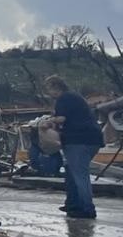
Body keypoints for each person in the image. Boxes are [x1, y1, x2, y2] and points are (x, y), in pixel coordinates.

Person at [42, 75, 102, 218]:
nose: (49, 93)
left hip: (78, 141)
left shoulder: (64, 98)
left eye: (49, 89)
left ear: (55, 87)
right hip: (92, 139)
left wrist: (47, 121)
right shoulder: (74, 97)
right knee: (71, 172)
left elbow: (62, 118)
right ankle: (73, 204)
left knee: (80, 175)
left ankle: (87, 209)